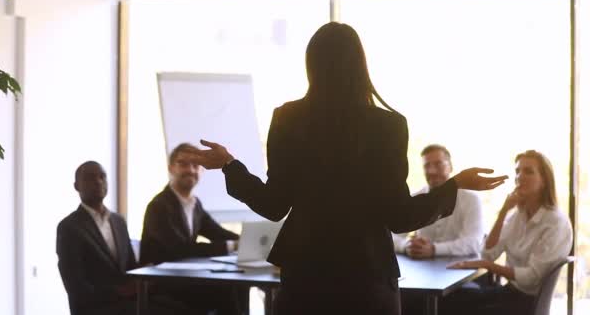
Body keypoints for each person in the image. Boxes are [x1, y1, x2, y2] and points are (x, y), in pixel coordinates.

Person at [187, 22, 507, 315]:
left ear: (312, 64)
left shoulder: (288, 118)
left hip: (305, 277)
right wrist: (454, 185)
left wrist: (230, 165)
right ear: (360, 64)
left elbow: (273, 205)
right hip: (367, 277)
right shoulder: (389, 125)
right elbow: (401, 217)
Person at [446, 150, 573, 315]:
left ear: (544, 181)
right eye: (517, 171)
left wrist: (487, 266)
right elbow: (488, 253)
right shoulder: (518, 216)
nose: (520, 176)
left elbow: (531, 278)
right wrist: (503, 212)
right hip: (510, 292)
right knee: (455, 296)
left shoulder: (555, 222)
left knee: (458, 306)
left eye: (528, 171)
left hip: (527, 303)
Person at [56, 161, 183, 315]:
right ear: (77, 186)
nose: (98, 181)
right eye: (90, 177)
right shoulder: (69, 227)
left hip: (128, 303)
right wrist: (121, 291)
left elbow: (130, 267)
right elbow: (77, 288)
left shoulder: (118, 221)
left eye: (102, 177)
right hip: (96, 308)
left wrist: (150, 271)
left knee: (184, 306)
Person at [139, 143, 242, 315]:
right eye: (183, 164)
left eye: (195, 165)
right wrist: (232, 246)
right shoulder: (158, 206)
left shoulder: (194, 204)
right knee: (227, 289)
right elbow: (180, 249)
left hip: (184, 277)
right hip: (160, 283)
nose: (191, 170)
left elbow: (218, 233)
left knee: (238, 286)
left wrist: (247, 240)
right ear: (171, 168)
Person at [392, 144, 484, 259]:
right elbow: (391, 235)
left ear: (450, 166)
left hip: (461, 269)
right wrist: (406, 245)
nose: (432, 171)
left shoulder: (471, 199)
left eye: (438, 164)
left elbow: (474, 241)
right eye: (427, 166)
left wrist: (434, 249)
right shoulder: (416, 197)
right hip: (422, 268)